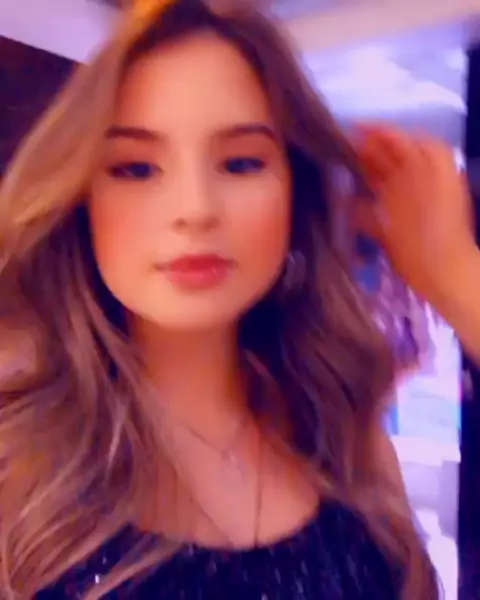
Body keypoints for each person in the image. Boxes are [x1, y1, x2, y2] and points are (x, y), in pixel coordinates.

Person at [2, 0, 472, 598]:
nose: (195, 209)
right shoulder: (18, 459)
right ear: (80, 200)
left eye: (241, 162)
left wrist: (455, 276)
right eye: (136, 169)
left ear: (295, 193)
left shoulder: (346, 435)